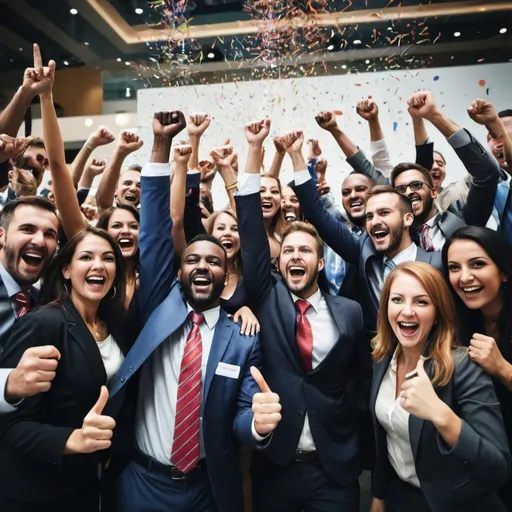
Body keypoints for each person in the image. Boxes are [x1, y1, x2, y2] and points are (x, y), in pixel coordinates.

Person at [108, 111, 271, 512]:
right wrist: (161, 147)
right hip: (142, 482)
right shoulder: (159, 307)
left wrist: (257, 426)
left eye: (213, 262)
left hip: (206, 488)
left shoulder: (242, 337)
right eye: (193, 259)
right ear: (179, 270)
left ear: (226, 272)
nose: (202, 266)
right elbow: (154, 232)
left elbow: (242, 412)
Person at [236, 118, 370, 512]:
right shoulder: (266, 295)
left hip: (335, 470)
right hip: (275, 465)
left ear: (321, 261)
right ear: (279, 263)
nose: (296, 256)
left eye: (306, 251)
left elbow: (360, 377)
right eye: (289, 250)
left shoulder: (350, 313)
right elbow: (248, 222)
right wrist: (256, 149)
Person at [0, 225, 128, 511]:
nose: (99, 265)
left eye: (108, 258)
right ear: (66, 270)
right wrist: (73, 439)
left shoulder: (116, 325)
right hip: (35, 492)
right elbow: (9, 426)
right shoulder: (43, 323)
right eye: (86, 257)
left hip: (84, 485)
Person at [370, 261, 511, 512]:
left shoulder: (464, 366)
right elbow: (386, 441)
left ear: (437, 314)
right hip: (400, 498)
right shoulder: (381, 359)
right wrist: (379, 496)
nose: (407, 312)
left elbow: (497, 469)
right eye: (398, 300)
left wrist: (440, 413)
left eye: (421, 302)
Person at [289, 128, 441, 331]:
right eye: (370, 216)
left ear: (407, 218)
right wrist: (296, 156)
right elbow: (318, 215)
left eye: (384, 213)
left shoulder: (437, 263)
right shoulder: (363, 252)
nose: (374, 222)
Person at [443, 226, 512, 508]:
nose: (465, 277)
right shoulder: (460, 321)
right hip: (489, 459)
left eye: (478, 264)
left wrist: (502, 369)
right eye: (454, 268)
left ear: (504, 272)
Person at [0, 195, 60, 413]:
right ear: (2, 235)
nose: (40, 241)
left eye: (49, 234)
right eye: (27, 229)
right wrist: (8, 385)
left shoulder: (42, 302)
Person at [391, 160, 495, 251]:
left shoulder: (462, 215)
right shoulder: (399, 238)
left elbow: (486, 172)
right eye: (401, 189)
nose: (408, 192)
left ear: (433, 193)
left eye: (416, 185)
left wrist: (454, 137)